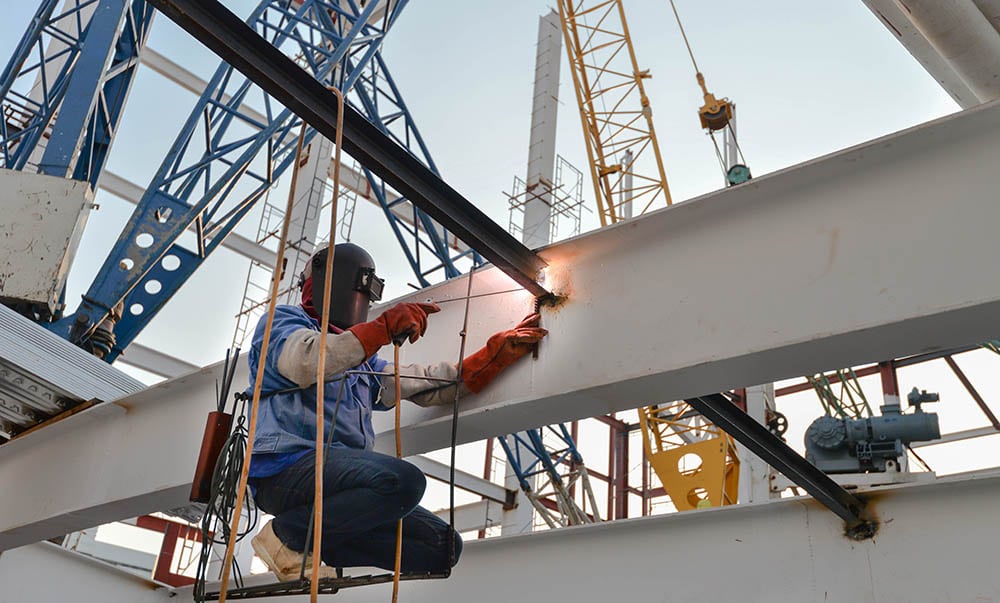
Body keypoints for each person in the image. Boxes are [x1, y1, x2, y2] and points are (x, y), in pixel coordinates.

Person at [247, 243, 547, 581]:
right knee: (402, 482)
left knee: (442, 547)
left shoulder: (363, 358)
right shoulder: (283, 323)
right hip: (286, 472)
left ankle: (312, 547)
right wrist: (381, 329)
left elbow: (423, 383)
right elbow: (307, 362)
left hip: (339, 488)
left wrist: (491, 358)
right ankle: (287, 535)